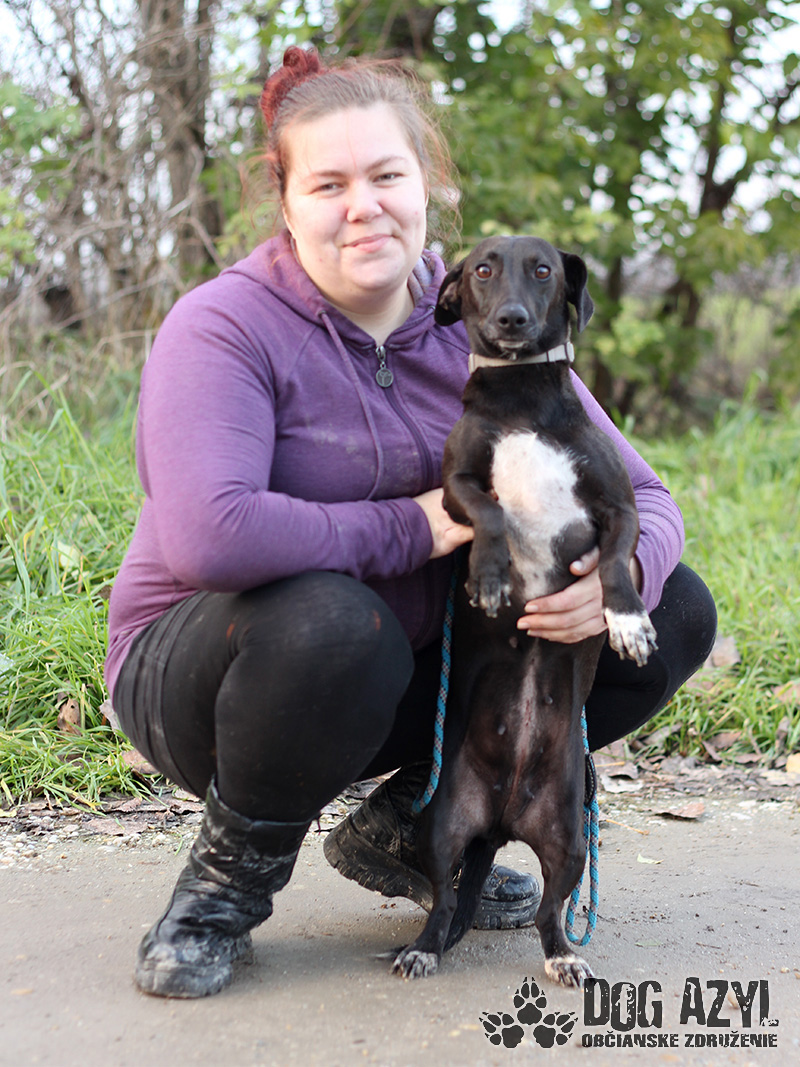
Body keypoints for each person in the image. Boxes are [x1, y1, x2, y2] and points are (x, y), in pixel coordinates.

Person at [106, 46, 717, 1000]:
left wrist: (611, 585)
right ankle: (220, 893)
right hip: (220, 674)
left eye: (387, 176)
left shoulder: (487, 311)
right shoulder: (224, 325)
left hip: (409, 670)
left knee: (670, 609)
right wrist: (417, 527)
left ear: (427, 186)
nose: (364, 206)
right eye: (329, 184)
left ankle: (414, 819)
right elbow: (209, 534)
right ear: (287, 201)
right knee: (337, 623)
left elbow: (650, 499)